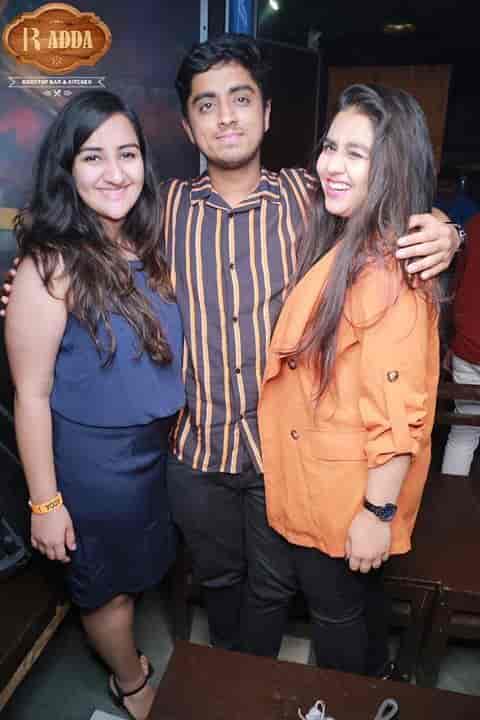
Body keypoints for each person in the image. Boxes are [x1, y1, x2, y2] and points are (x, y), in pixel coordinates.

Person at [1, 34, 461, 655]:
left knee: (275, 587)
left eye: (241, 99)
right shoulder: (161, 212)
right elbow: (82, 237)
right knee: (219, 582)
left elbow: (386, 205)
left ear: (266, 114)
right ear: (187, 127)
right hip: (197, 453)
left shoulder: (313, 198)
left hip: (283, 453)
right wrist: (29, 282)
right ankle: (227, 682)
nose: (226, 117)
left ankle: (256, 684)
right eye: (206, 104)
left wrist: (448, 232)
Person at [4, 90, 184, 720]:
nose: (114, 173)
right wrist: (46, 503)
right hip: (95, 468)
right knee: (107, 591)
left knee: (138, 573)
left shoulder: (150, 244)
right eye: (92, 157)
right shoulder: (49, 265)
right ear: (68, 169)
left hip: (156, 457)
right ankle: (130, 684)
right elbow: (31, 395)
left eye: (127, 154)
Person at [249, 83, 440, 675]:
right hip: (316, 480)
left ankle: (345, 703)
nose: (331, 165)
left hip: (344, 496)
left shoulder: (388, 274)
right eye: (330, 147)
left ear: (392, 168)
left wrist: (376, 515)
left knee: (337, 619)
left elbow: (399, 416)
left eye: (356, 154)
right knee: (344, 609)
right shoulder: (347, 240)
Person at [442, 212, 480, 475]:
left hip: (467, 348)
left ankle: (451, 498)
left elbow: (457, 288)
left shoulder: (474, 225)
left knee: (464, 433)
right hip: (464, 346)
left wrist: (451, 342)